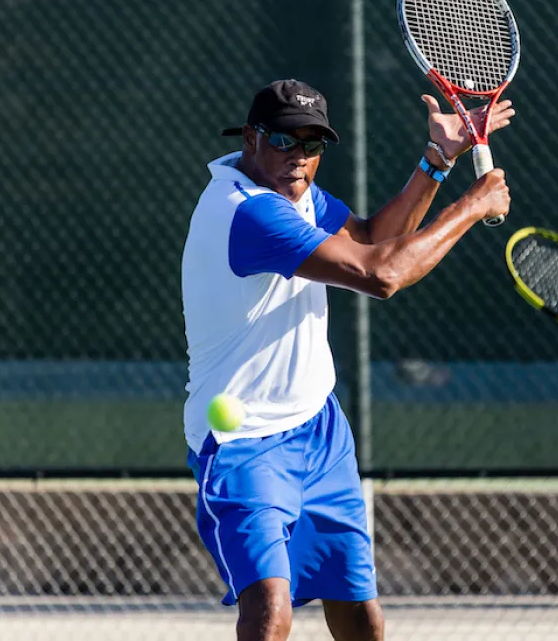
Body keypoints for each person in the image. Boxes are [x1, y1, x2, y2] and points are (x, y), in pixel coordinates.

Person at [181, 78, 514, 641]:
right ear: (251, 139)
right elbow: (379, 274)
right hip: (243, 445)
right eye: (286, 142)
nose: (299, 159)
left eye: (312, 146)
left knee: (361, 615)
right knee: (270, 613)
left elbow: (369, 237)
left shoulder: (299, 197)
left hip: (319, 430)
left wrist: (437, 160)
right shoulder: (247, 212)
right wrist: (471, 206)